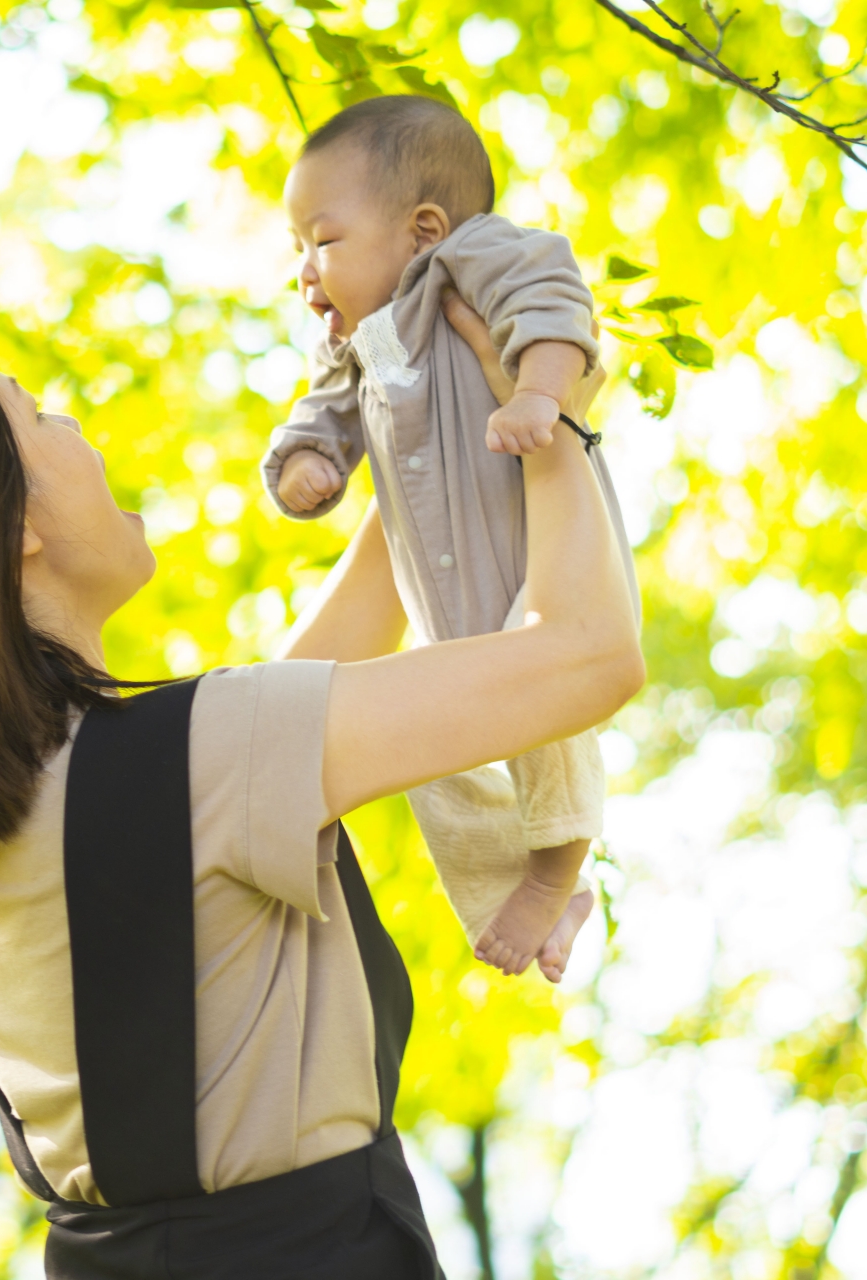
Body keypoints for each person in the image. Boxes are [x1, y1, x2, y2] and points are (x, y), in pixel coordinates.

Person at [0, 313, 642, 1277]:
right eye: (39, 417)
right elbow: (588, 657)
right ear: (14, 525)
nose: (75, 427)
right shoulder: (203, 757)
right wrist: (558, 423)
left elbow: (310, 677)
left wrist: (432, 418)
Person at [260, 95, 642, 982]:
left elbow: (551, 304)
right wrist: (307, 463)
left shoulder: (471, 263)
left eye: (322, 240)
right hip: (442, 608)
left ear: (423, 230)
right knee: (429, 763)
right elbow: (333, 410)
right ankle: (524, 900)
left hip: (529, 569)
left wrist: (538, 396)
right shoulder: (384, 340)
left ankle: (557, 868)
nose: (306, 272)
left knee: (543, 713)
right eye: (296, 251)